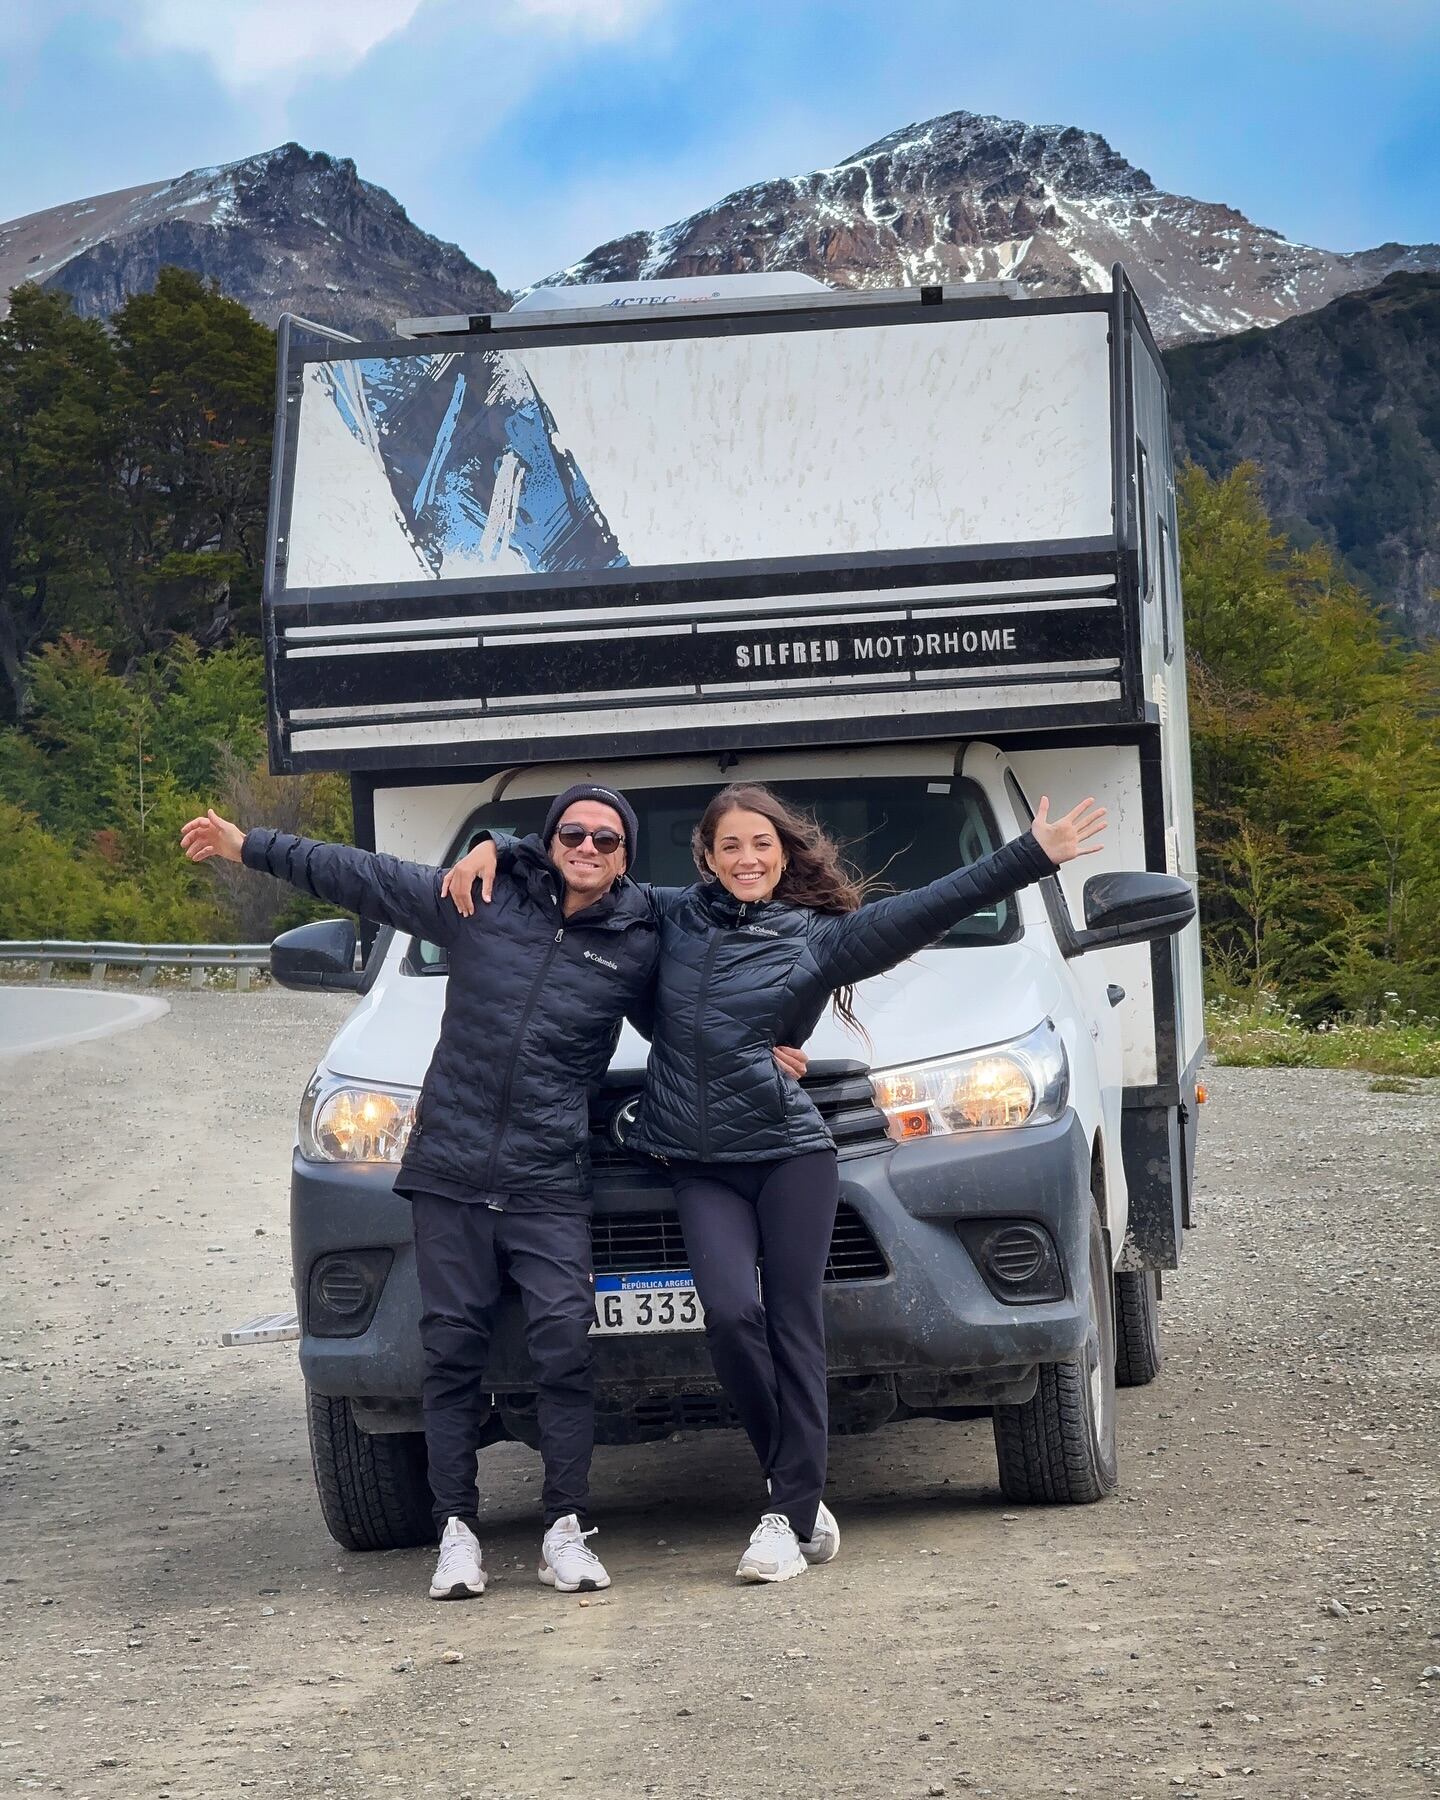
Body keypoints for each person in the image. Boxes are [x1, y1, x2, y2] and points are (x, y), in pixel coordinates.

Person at [446, 784, 1106, 1583]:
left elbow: (924, 910)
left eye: (761, 844)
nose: (746, 859)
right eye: (730, 846)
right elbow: (584, 867)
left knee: (793, 1323)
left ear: (783, 854)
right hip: (698, 1160)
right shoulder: (669, 915)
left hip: (792, 1154)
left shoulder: (817, 939)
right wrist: (500, 848)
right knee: (730, 1315)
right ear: (707, 856)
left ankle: (786, 1514)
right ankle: (793, 1484)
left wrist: (1029, 855)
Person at [182, 784, 805, 1602]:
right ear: (550, 841)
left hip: (549, 1175)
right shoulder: (475, 899)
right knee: (451, 1347)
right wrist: (247, 844)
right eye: (572, 834)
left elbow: (695, 1008)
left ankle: (565, 1530)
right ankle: (457, 1534)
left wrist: (761, 1050)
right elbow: (361, 874)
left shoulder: (639, 935)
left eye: (608, 840)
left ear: (627, 856)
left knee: (562, 1342)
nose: (588, 848)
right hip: (450, 1164)